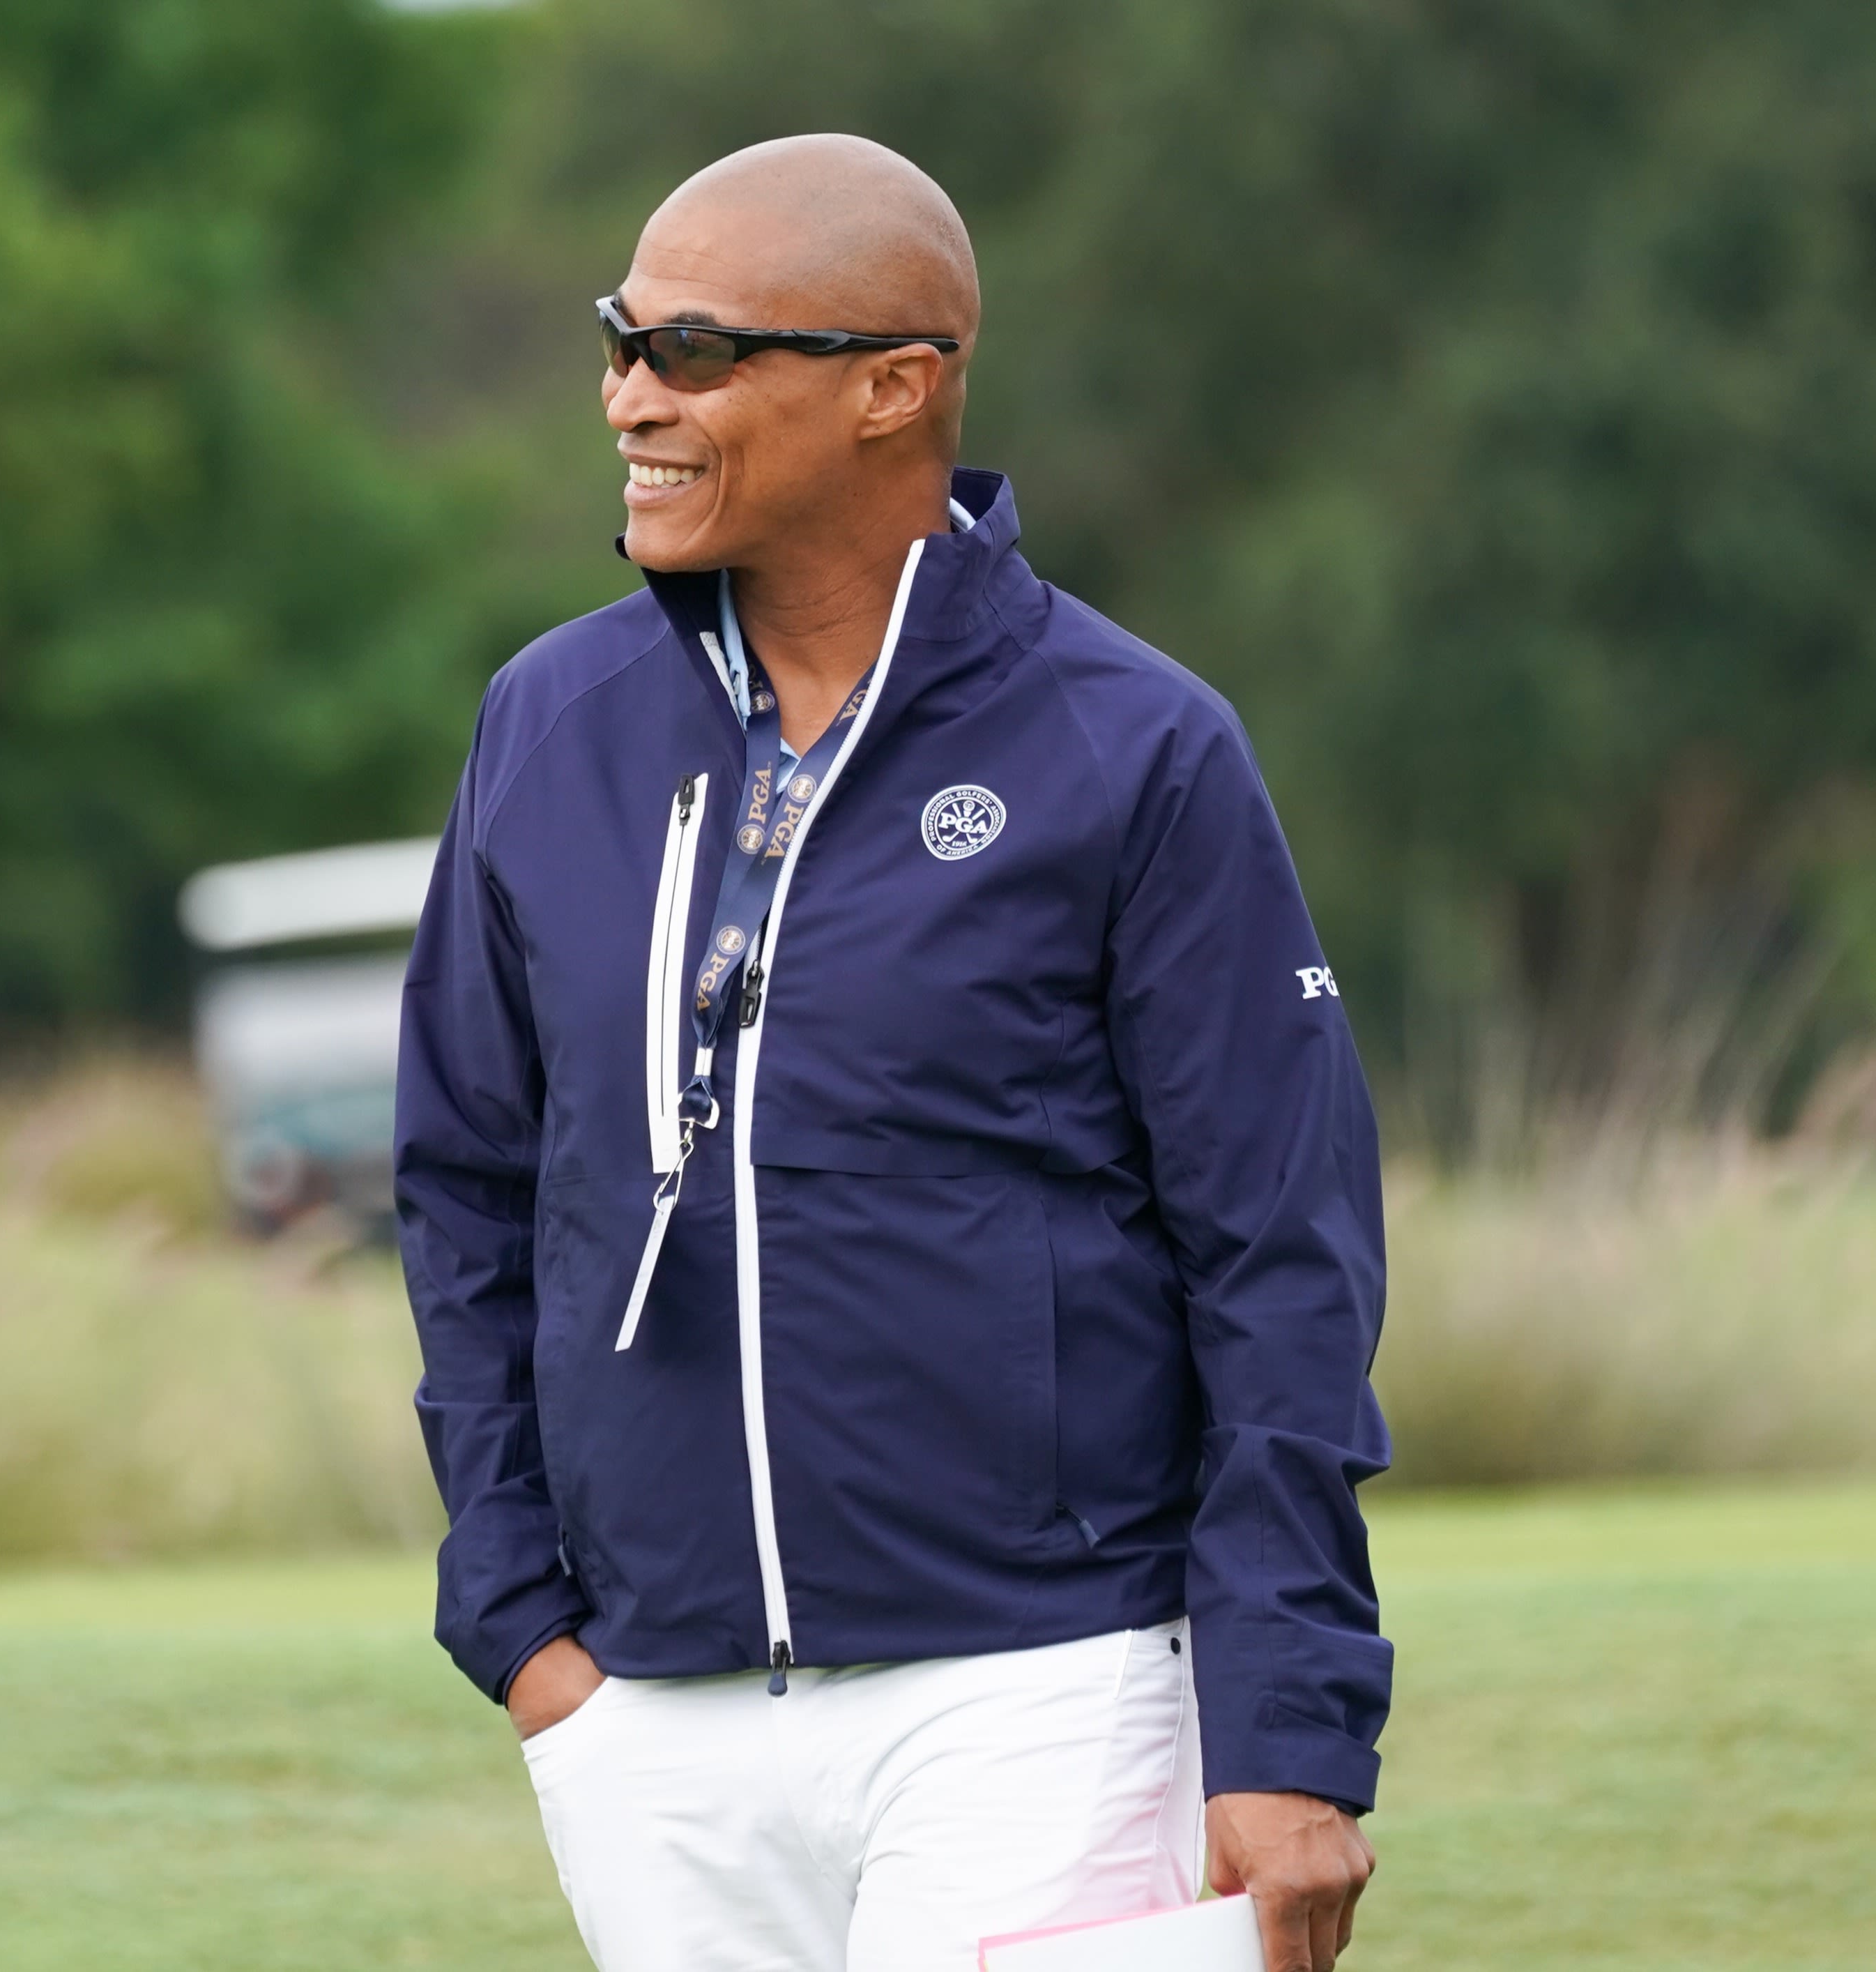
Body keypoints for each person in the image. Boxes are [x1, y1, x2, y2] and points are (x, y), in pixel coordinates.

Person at [395, 134, 1390, 1972]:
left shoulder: (1136, 748)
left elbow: (1282, 1260)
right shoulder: (547, 728)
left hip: (1046, 1681)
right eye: (618, 340)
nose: (629, 396)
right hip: (647, 1715)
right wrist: (524, 1625)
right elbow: (465, 1186)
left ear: (894, 387)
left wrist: (1291, 1715)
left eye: (692, 352)